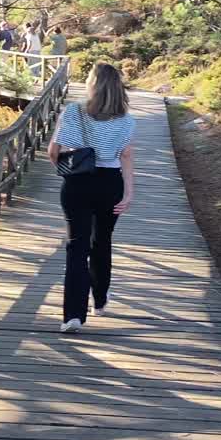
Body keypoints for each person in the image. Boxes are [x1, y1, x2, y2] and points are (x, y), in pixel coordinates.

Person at [47, 63, 136, 333]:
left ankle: (73, 315)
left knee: (77, 246)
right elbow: (126, 156)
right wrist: (129, 192)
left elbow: (53, 151)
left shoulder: (74, 111)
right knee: (102, 241)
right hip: (110, 184)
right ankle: (99, 300)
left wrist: (66, 171)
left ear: (92, 84)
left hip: (78, 181)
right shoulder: (127, 121)